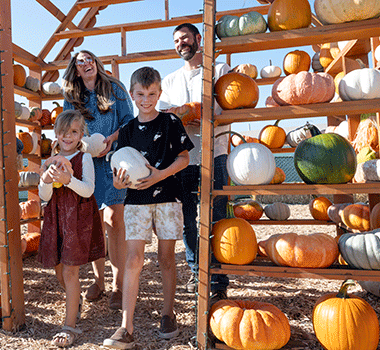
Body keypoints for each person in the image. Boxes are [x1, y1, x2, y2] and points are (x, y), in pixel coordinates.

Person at [103, 67, 192, 349]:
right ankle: (125, 328)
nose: (146, 99)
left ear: (159, 94)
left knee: (166, 258)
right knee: (133, 260)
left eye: (151, 94)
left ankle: (168, 314)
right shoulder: (126, 131)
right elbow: (120, 175)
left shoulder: (171, 122)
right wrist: (119, 185)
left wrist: (159, 175)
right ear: (132, 95)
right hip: (136, 202)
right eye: (140, 94)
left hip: (167, 197)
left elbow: (184, 158)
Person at [158, 23, 230, 299]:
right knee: (188, 219)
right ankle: (196, 271)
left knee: (217, 217)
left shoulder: (220, 71)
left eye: (185, 38)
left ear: (198, 39)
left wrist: (202, 112)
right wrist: (179, 115)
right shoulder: (170, 80)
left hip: (216, 153)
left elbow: (229, 104)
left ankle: (218, 279)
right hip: (185, 158)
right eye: (176, 40)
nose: (181, 43)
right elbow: (164, 116)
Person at [62, 50, 135, 310]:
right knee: (94, 223)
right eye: (80, 61)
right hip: (87, 165)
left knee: (114, 220)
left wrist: (111, 140)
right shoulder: (72, 96)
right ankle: (99, 281)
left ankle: (118, 285)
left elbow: (129, 122)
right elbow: (66, 127)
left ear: (96, 62)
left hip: (114, 161)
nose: (86, 63)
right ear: (76, 68)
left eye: (89, 58)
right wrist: (83, 145)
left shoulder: (115, 88)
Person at [37, 110, 105, 348]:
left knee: (70, 272)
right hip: (57, 218)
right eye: (64, 132)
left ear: (81, 135)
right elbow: (44, 196)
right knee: (58, 269)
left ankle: (69, 325)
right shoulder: (50, 160)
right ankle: (74, 301)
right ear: (56, 134)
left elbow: (88, 190)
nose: (68, 137)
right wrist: (46, 181)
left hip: (77, 219)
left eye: (74, 132)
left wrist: (68, 180)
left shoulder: (83, 158)